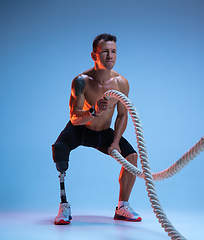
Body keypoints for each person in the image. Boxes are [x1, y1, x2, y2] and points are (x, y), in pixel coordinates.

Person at [52, 33, 141, 225]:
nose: (110, 56)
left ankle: (122, 206)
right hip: (81, 130)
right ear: (94, 55)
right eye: (105, 52)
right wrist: (93, 111)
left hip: (103, 134)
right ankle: (64, 205)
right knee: (59, 148)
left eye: (114, 51)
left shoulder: (121, 83)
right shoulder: (81, 81)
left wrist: (115, 142)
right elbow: (74, 119)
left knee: (132, 157)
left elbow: (123, 115)